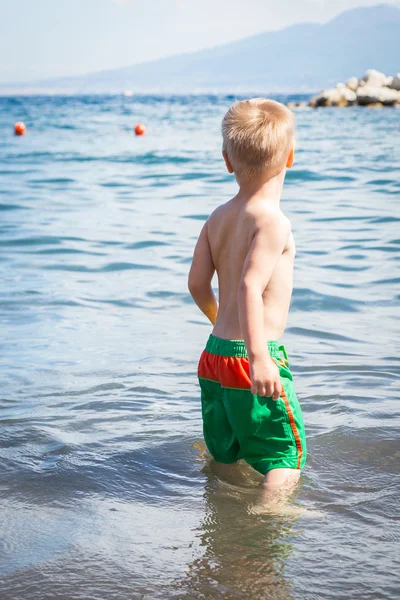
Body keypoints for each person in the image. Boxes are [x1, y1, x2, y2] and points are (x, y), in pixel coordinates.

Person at [188, 98, 307, 491]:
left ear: (227, 161)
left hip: (214, 357)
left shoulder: (216, 217)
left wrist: (217, 319)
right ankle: (265, 517)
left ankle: (223, 516)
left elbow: (196, 284)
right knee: (284, 457)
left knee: (225, 454)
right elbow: (250, 286)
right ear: (290, 157)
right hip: (250, 356)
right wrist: (258, 358)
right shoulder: (273, 221)